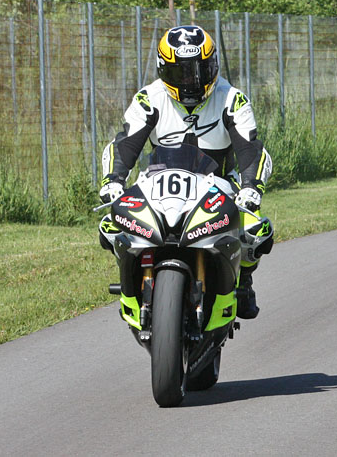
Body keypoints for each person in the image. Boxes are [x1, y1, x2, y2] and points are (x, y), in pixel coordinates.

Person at [98, 25, 273, 319]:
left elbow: (251, 149)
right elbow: (124, 145)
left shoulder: (232, 99)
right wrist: (112, 181)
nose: (193, 80)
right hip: (158, 184)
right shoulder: (149, 98)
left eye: (201, 70)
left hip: (219, 186)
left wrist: (251, 187)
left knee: (255, 231)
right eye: (181, 72)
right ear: (163, 69)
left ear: (213, 64)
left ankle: (243, 281)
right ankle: (134, 284)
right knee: (111, 226)